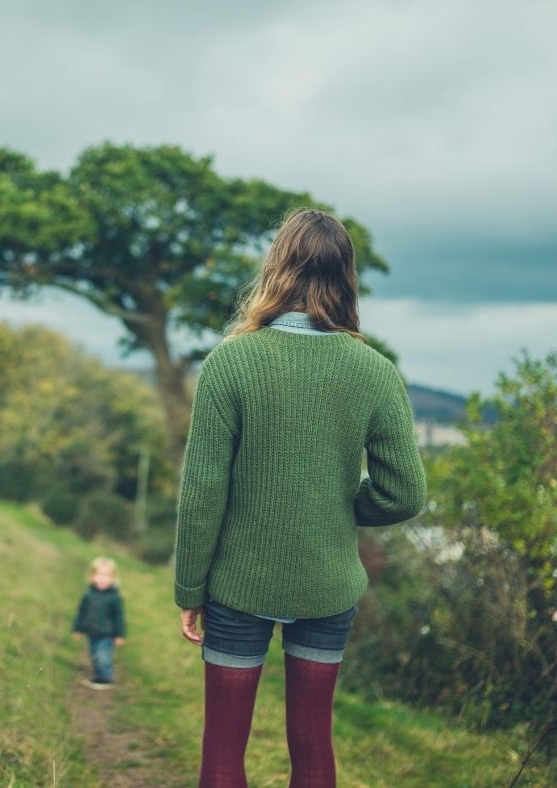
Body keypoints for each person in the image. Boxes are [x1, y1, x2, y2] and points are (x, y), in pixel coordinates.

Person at [174, 208, 426, 787]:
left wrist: (190, 588)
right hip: (327, 582)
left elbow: (202, 491)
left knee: (222, 751)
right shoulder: (374, 370)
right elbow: (404, 493)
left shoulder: (231, 361)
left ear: (277, 267)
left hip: (238, 585)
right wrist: (337, 503)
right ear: (345, 277)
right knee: (314, 745)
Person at [72, 556, 126, 690]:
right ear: (92, 576)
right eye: (100, 575)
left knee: (103, 656)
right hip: (91, 632)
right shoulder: (88, 595)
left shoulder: (115, 598)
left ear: (113, 578)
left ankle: (105, 679)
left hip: (107, 634)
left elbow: (119, 617)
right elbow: (81, 613)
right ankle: (99, 675)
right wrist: (78, 629)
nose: (103, 579)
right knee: (94, 655)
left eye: (107, 576)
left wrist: (119, 635)